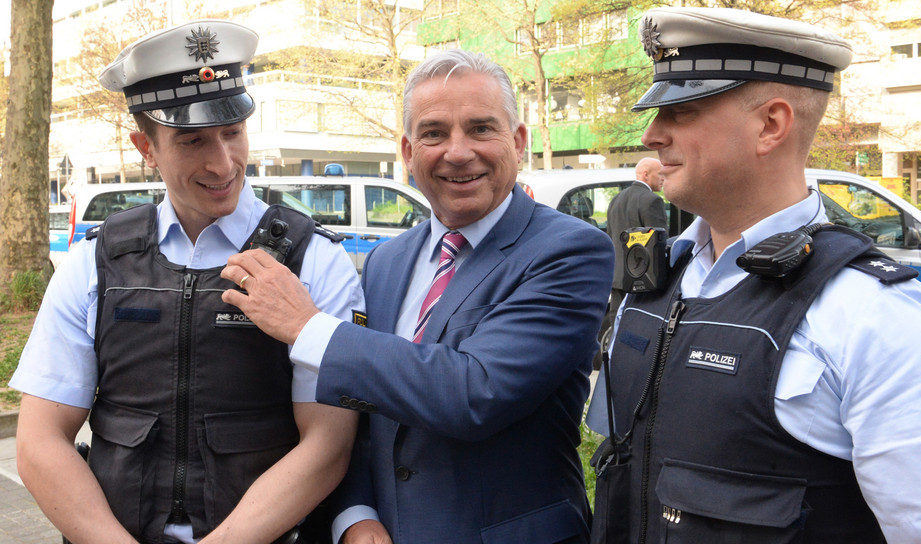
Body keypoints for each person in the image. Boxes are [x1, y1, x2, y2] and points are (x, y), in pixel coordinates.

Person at [587, 7, 921, 544]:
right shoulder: (658, 282)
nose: (651, 135)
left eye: (681, 112)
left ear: (771, 124)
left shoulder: (874, 319)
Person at [219, 49, 614, 544]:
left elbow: (475, 393)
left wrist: (307, 326)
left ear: (518, 142)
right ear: (407, 153)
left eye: (480, 129)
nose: (457, 151)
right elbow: (362, 407)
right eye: (433, 133)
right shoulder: (387, 261)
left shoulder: (570, 251)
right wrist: (355, 515)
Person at [11, 19, 363, 544]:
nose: (222, 163)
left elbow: (329, 445)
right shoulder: (95, 263)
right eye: (192, 140)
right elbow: (40, 440)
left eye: (232, 132)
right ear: (144, 146)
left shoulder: (316, 260)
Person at [598, 157, 666, 369]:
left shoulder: (616, 200)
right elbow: (658, 246)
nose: (663, 179)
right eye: (659, 174)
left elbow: (611, 238)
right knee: (641, 332)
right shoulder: (652, 201)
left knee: (618, 327)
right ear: (646, 174)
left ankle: (617, 367)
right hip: (643, 280)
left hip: (617, 277)